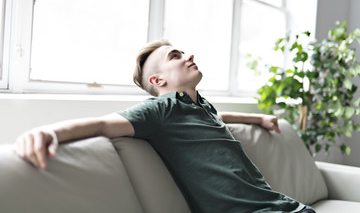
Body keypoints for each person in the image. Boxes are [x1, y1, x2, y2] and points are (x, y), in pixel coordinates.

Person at [15, 39, 315, 213]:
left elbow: (222, 117)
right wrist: (48, 131)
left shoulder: (200, 107)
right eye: (176, 56)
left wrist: (258, 119)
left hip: (283, 207)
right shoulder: (162, 110)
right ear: (158, 81)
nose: (189, 56)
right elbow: (102, 125)